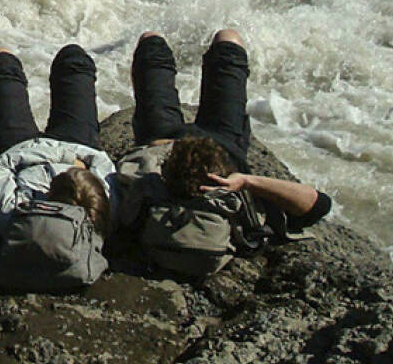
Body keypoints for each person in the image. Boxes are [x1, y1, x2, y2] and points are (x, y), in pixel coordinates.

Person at [131, 29, 331, 232]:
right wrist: (246, 181)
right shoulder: (234, 205)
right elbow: (319, 204)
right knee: (226, 38)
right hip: (221, 142)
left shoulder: (148, 197)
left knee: (152, 42)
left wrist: (153, 150)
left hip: (164, 140)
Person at [0, 44, 116, 237]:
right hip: (77, 146)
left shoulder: (15, 218)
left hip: (18, 149)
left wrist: (67, 161)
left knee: (0, 61)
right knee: (74, 57)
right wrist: (68, 158)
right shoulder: (97, 210)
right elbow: (101, 160)